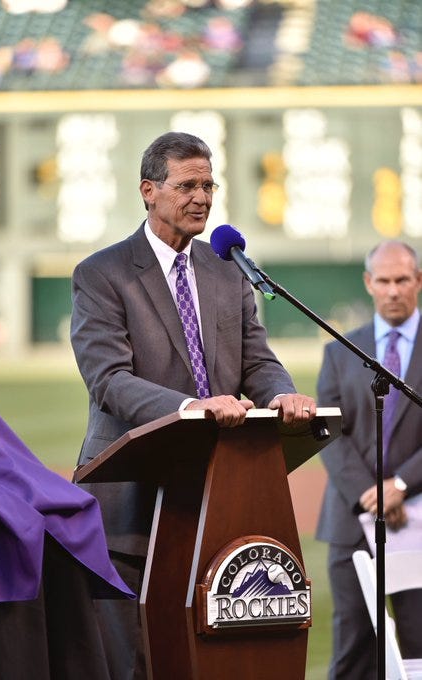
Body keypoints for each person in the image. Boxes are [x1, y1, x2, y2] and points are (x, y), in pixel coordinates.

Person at [70, 131, 316, 679]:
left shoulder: (228, 267)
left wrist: (281, 394)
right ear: (148, 191)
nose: (202, 196)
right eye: (187, 185)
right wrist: (192, 407)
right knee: (136, 663)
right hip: (131, 505)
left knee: (208, 661)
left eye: (209, 184)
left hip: (217, 502)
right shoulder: (101, 274)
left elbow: (258, 361)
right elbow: (108, 380)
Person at [316, 240, 422, 679]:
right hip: (350, 520)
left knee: (418, 646)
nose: (393, 290)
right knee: (353, 650)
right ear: (368, 283)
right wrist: (369, 492)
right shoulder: (341, 349)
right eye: (384, 281)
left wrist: (400, 486)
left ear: (418, 281)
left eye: (403, 280)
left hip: (417, 516)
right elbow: (328, 431)